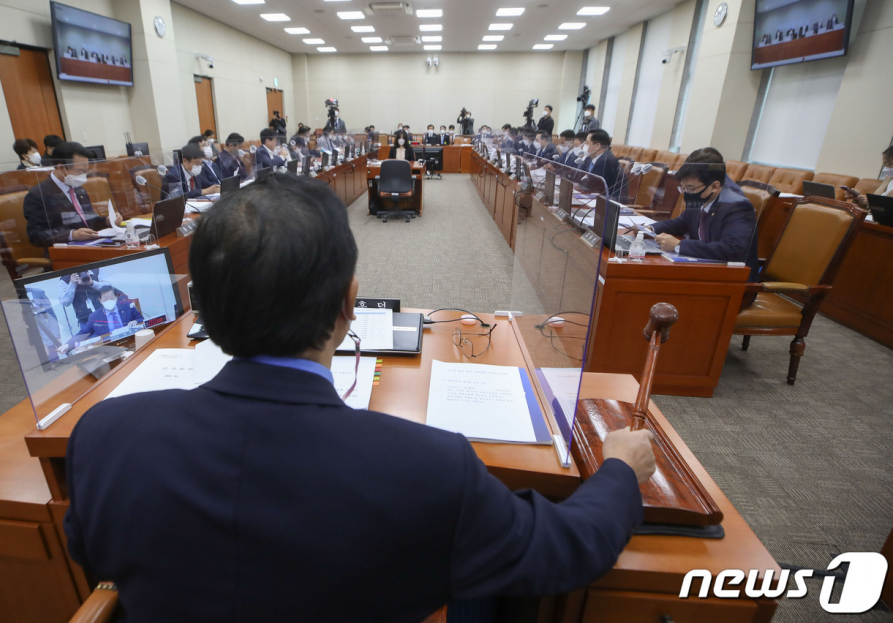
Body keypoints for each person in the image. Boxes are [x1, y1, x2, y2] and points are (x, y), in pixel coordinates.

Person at [63, 173, 655, 622]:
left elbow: (91, 549)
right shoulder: (429, 467)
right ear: (350, 303)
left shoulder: (105, 432)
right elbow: (568, 549)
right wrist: (620, 472)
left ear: (203, 310)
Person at [651, 149, 759, 276]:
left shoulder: (737, 206)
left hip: (731, 278)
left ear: (714, 186)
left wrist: (678, 245)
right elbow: (680, 223)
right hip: (702, 269)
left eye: (690, 188)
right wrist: (649, 229)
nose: (686, 193)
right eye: (683, 188)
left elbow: (732, 249)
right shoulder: (702, 195)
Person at [23, 141, 122, 247]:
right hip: (64, 251)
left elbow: (88, 221)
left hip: (92, 245)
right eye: (80, 171)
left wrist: (108, 220)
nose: (83, 176)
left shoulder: (79, 189)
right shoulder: (38, 195)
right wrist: (71, 235)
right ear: (61, 167)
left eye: (86, 171)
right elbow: (36, 236)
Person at [58, 286, 142, 353]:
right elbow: (83, 333)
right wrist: (67, 345)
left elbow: (141, 319)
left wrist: (135, 321)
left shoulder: (127, 306)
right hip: (111, 350)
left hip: (132, 343)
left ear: (116, 297)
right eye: (105, 299)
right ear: (100, 300)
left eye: (112, 297)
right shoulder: (94, 317)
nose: (109, 300)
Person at [581, 130, 621, 199]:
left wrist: (585, 178)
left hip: (609, 202)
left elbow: (592, 186)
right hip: (596, 197)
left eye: (587, 142)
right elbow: (581, 176)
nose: (584, 145)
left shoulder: (606, 160)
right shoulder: (591, 158)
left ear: (597, 146)